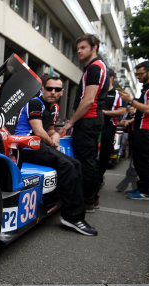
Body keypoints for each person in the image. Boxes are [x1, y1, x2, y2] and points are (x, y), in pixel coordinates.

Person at [16, 75, 97, 236]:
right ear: (43, 89)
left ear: (62, 92)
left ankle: (72, 211)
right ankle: (72, 217)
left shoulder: (54, 108)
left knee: (76, 164)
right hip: (25, 147)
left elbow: (50, 130)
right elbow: (38, 131)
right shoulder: (35, 103)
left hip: (40, 145)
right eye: (49, 88)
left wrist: (56, 136)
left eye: (57, 89)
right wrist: (52, 142)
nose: (53, 92)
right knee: (66, 166)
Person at [62, 34, 109, 211]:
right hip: (92, 120)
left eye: (83, 47)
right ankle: (92, 198)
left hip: (88, 120)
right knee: (89, 161)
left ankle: (88, 200)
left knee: (86, 162)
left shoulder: (95, 67)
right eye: (78, 48)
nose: (79, 51)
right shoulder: (96, 66)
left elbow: (88, 100)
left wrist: (70, 122)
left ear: (94, 47)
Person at [119, 60, 149, 200]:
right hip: (140, 128)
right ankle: (142, 188)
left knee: (145, 161)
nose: (138, 76)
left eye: (140, 73)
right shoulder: (147, 87)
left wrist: (130, 100)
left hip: (147, 129)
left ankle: (146, 191)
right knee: (140, 161)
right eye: (136, 74)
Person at [99, 68, 126, 186]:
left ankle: (100, 176)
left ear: (111, 78)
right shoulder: (97, 92)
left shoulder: (117, 94)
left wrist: (105, 113)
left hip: (109, 127)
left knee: (105, 154)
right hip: (94, 126)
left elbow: (122, 111)